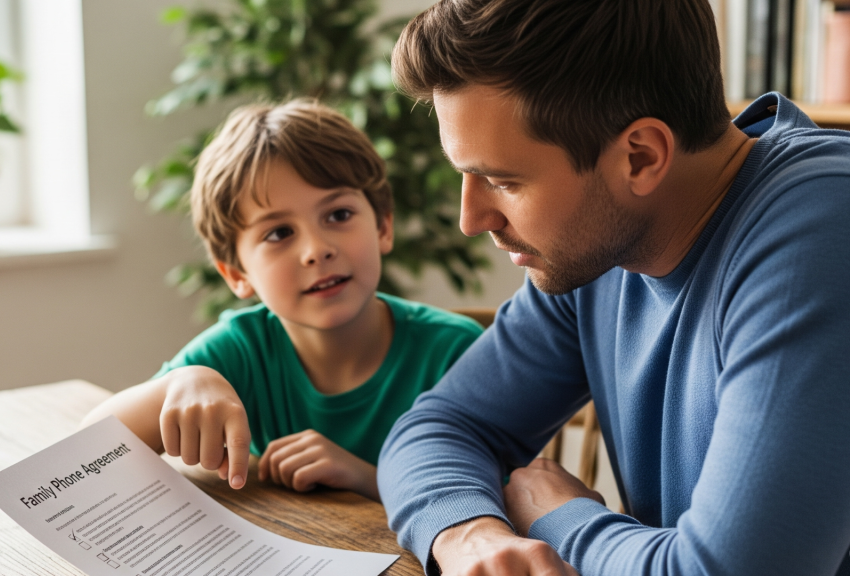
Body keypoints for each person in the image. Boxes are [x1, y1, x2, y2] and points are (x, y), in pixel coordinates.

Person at [376, 0, 850, 575]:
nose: (471, 220)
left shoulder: (823, 236)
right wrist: (471, 535)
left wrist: (560, 517)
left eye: (502, 181)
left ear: (640, 157)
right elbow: (440, 428)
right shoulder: (601, 251)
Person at [82, 99, 482, 502]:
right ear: (236, 274)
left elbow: (497, 496)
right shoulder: (239, 351)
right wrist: (176, 384)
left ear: (383, 227)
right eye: (278, 234)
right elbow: (84, 453)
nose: (316, 250)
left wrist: (367, 478)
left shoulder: (456, 352)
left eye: (339, 215)